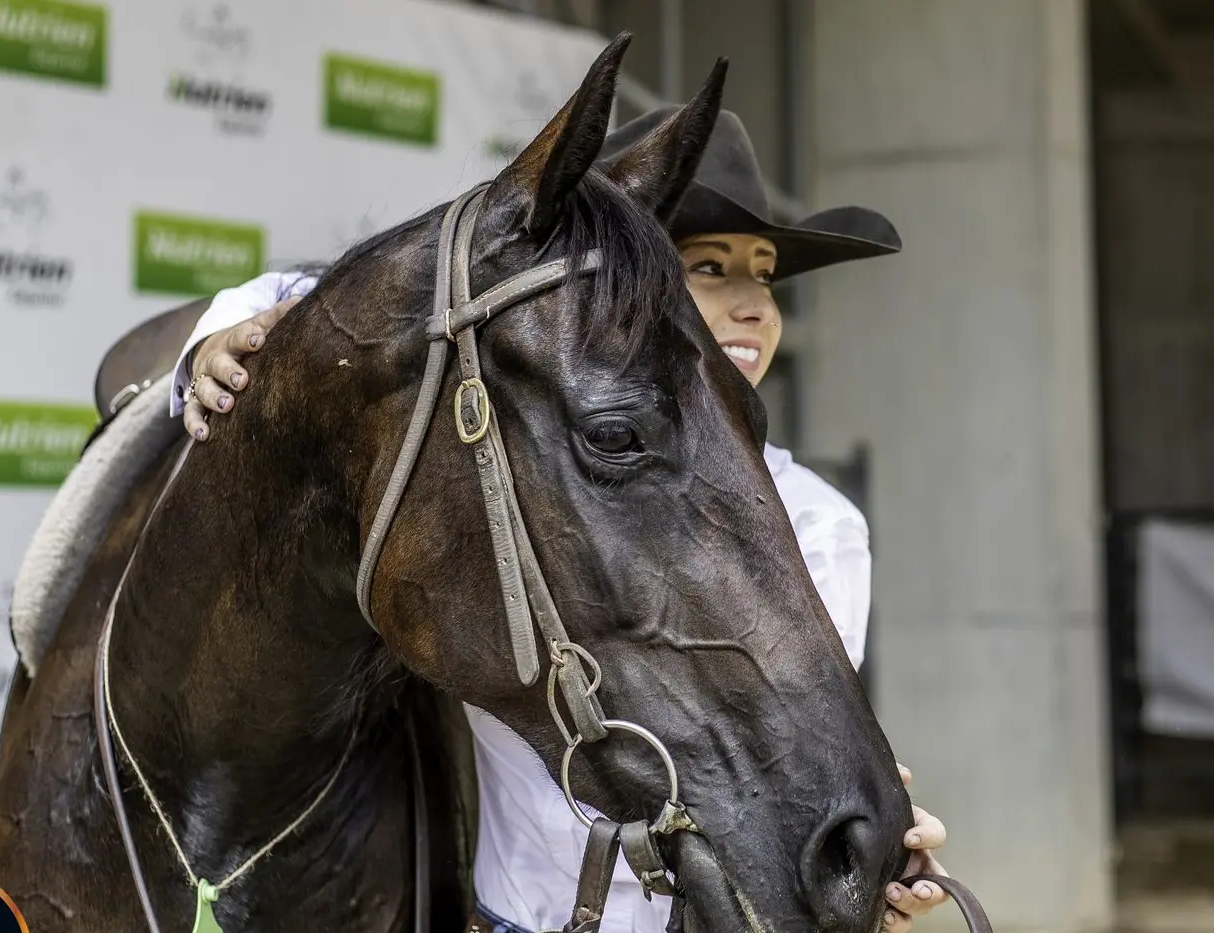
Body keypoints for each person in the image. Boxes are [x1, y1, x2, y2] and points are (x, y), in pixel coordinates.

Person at [166, 107, 950, 933]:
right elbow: (358, 310)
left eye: (764, 275)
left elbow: (782, 727)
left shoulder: (820, 521)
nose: (754, 304)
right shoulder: (531, 481)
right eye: (710, 267)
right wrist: (222, 330)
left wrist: (873, 838)